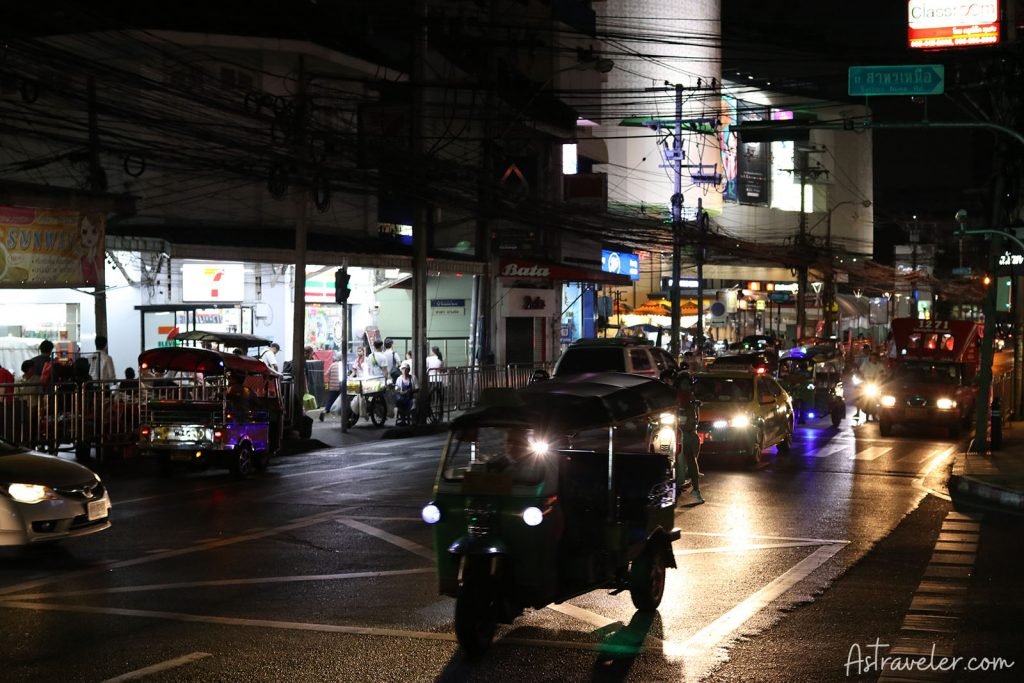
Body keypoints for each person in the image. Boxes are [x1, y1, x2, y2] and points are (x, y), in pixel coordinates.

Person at [674, 372, 703, 505]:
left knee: (690, 458)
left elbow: (694, 418)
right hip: (672, 432)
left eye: (687, 383)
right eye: (683, 383)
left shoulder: (692, 398)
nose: (685, 386)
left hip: (686, 433)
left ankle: (696, 490)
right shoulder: (673, 395)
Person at [856, 352, 888, 420]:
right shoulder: (866, 364)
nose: (873, 359)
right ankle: (857, 412)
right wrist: (863, 379)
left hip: (876, 384)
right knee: (859, 397)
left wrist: (882, 377)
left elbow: (883, 374)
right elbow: (861, 372)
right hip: (866, 383)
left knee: (879, 399)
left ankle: (876, 414)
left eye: (875, 358)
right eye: (872, 358)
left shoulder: (880, 365)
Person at [320, 352, 343, 422]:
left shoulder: (332, 365)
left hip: (332, 386)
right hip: (340, 386)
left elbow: (327, 373)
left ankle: (324, 411)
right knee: (342, 401)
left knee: (330, 401)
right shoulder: (342, 365)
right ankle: (342, 415)